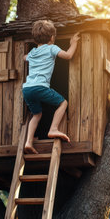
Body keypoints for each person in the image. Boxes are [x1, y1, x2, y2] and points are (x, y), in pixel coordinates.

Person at [22, 20, 80, 154]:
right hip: (40, 87)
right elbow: (68, 55)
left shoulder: (32, 53)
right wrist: (74, 43)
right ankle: (53, 129)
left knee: (36, 114)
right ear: (52, 38)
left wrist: (28, 57)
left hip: (27, 89)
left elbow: (24, 58)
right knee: (63, 103)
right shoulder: (52, 48)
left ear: (35, 39)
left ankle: (28, 142)